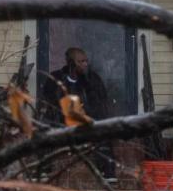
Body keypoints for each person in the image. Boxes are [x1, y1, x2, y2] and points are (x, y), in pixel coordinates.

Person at [41, 47, 116, 180]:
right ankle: (43, 170)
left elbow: (100, 105)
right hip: (61, 122)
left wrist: (86, 110)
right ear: (71, 63)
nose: (85, 64)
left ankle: (108, 173)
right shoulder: (56, 78)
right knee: (44, 129)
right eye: (81, 61)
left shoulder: (92, 79)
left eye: (86, 61)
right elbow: (48, 102)